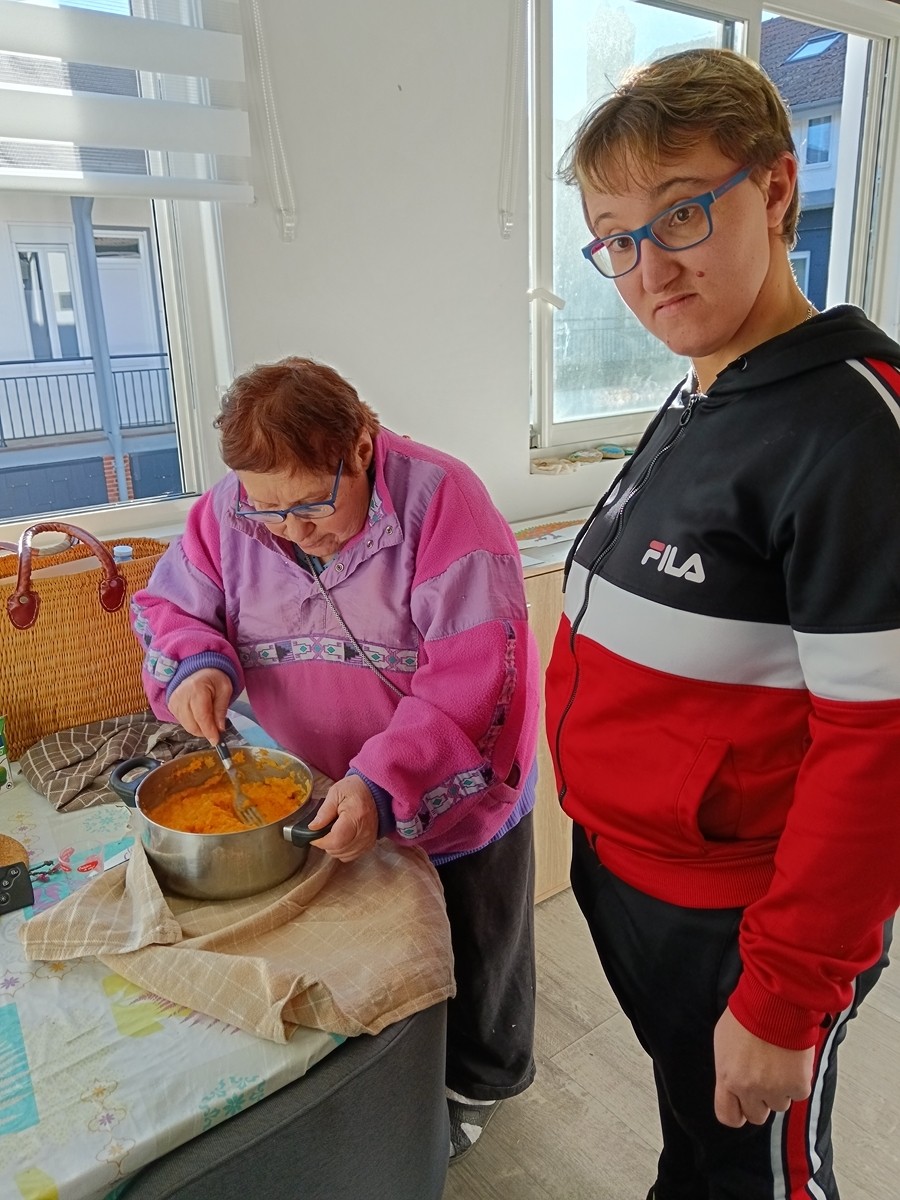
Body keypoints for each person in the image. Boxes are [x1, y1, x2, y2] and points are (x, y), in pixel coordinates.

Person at [545, 47, 900, 1200]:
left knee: (761, 1171)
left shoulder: (855, 434)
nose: (649, 267)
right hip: (632, 873)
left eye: (682, 212)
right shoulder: (710, 384)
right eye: (617, 239)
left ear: (779, 192)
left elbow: (881, 751)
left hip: (740, 921)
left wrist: (786, 995)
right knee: (699, 1142)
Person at [131, 357, 539, 1161]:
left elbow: (475, 676)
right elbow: (174, 604)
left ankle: (478, 1084)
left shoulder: (443, 501)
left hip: (443, 796)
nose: (293, 528)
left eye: (313, 502)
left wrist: (384, 783)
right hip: (315, 785)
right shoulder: (234, 512)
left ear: (360, 446)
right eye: (269, 509)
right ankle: (394, 1084)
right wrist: (198, 664)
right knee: (374, 957)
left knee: (474, 948)